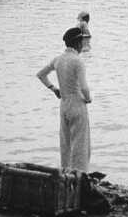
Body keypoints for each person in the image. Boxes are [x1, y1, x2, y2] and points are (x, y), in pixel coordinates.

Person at [36, 27, 92, 172]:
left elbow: (41, 75)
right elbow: (84, 87)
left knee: (66, 144)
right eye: (82, 42)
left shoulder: (58, 60)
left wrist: (54, 89)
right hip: (77, 105)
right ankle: (80, 174)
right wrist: (88, 98)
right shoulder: (77, 61)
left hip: (64, 105)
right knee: (80, 144)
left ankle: (65, 173)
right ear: (78, 43)